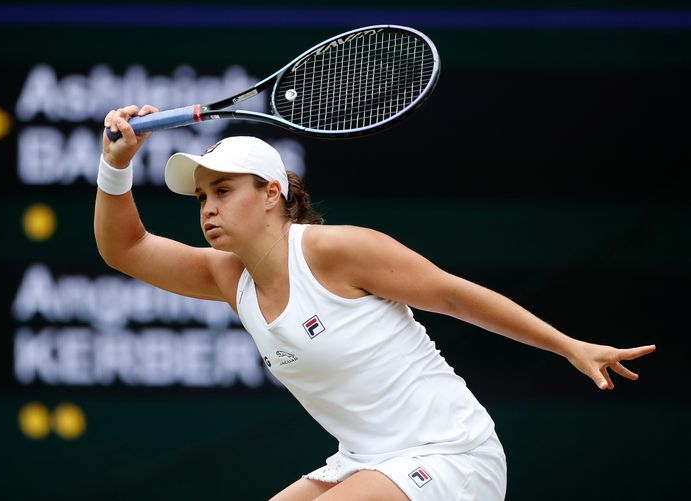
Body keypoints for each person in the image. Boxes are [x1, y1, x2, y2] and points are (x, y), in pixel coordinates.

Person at [94, 105, 655, 501]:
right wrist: (116, 164)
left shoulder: (335, 250)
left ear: (272, 195)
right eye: (200, 198)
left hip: (450, 454)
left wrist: (567, 345)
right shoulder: (227, 277)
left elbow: (455, 296)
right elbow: (127, 249)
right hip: (365, 461)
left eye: (223, 191)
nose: (207, 209)